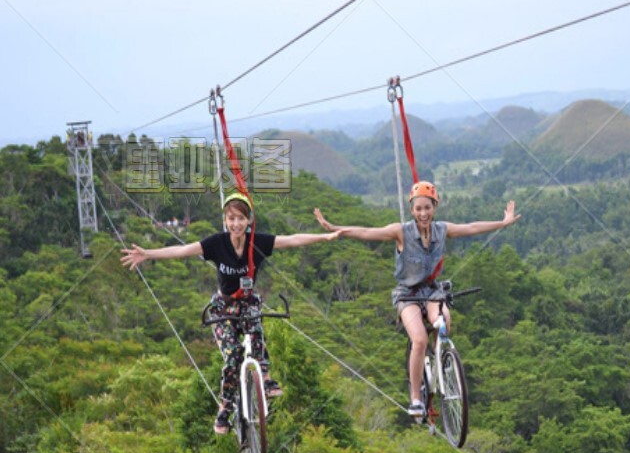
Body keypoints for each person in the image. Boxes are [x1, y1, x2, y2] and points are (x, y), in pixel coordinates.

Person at [121, 192, 340, 434]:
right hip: (222, 308)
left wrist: (325, 237)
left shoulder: (257, 241)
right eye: (231, 218)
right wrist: (148, 254)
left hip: (247, 303)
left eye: (241, 219)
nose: (236, 224)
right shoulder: (216, 243)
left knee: (255, 325)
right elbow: (182, 251)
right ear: (225, 220)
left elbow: (293, 240)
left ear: (248, 221)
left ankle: (265, 378)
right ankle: (225, 407)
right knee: (233, 354)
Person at [314, 181, 520, 416]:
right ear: (412, 210)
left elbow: (471, 227)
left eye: (428, 208)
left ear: (435, 207)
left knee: (443, 322)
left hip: (432, 291)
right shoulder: (401, 232)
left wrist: (502, 223)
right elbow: (369, 233)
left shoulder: (442, 229)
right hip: (408, 295)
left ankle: (441, 363)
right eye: (418, 208)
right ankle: (415, 397)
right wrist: (336, 228)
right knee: (419, 340)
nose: (423, 213)